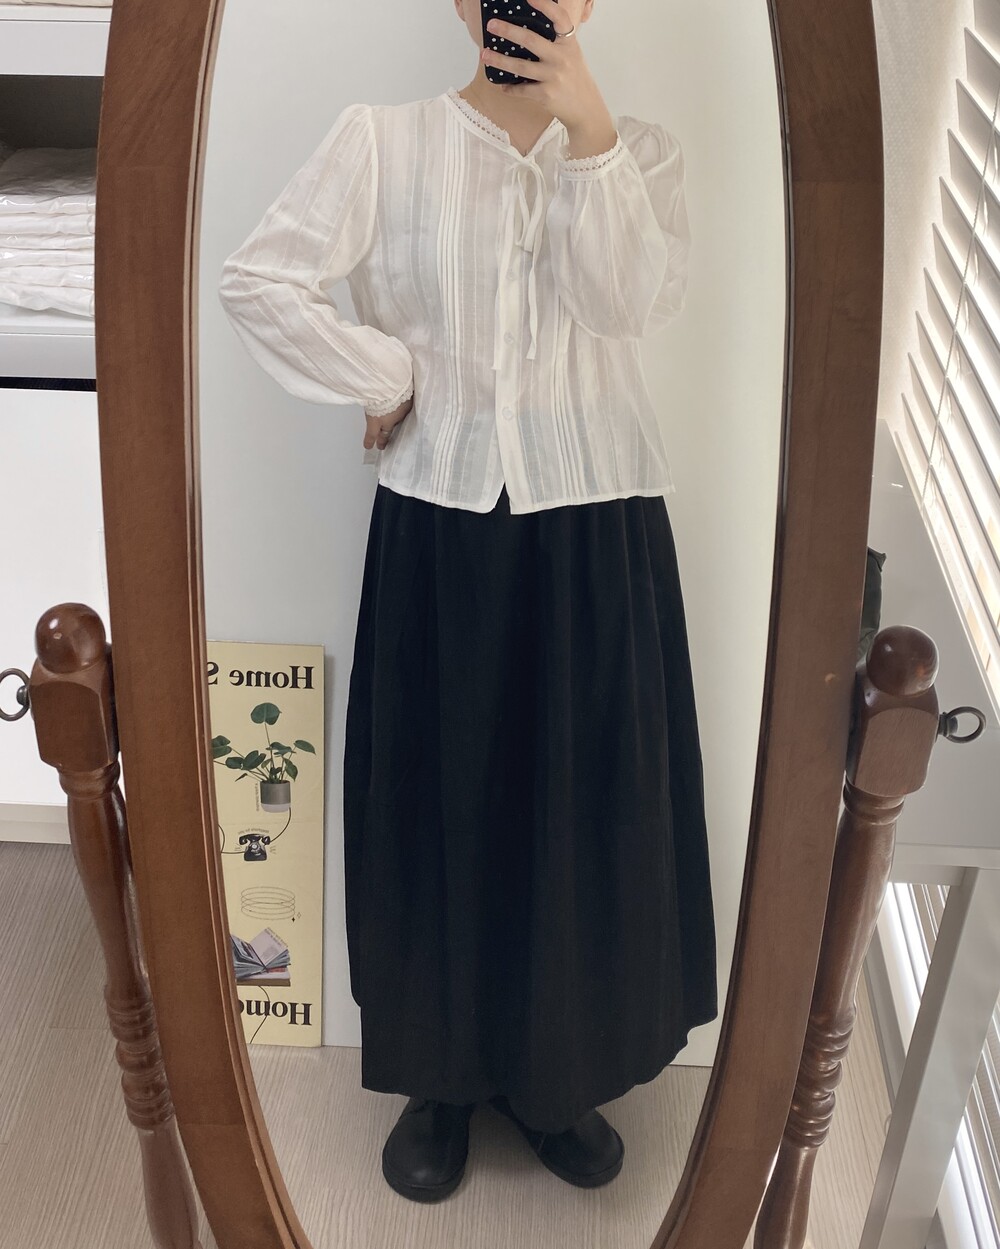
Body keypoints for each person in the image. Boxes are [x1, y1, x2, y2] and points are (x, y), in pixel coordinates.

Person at [217, 0, 717, 1205]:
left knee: (583, 807)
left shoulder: (639, 152)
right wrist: (385, 373)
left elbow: (627, 307)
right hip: (440, 527)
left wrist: (589, 134)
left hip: (595, 527)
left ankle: (561, 1075)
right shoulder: (382, 141)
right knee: (436, 802)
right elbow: (258, 277)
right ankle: (439, 1081)